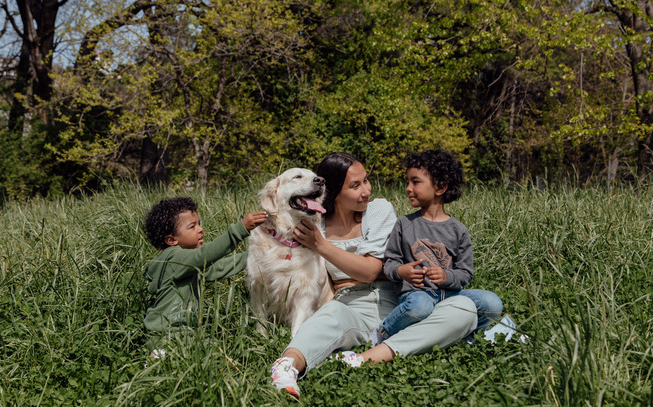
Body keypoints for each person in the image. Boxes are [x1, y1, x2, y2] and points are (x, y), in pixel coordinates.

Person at [269, 152, 478, 399]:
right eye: (355, 186)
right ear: (334, 191)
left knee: (464, 308)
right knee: (331, 313)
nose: (366, 191)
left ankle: (367, 358)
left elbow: (371, 271)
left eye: (366, 180)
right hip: (351, 305)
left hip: (401, 303)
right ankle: (287, 366)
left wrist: (321, 246)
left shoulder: (378, 210)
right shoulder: (315, 223)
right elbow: (275, 250)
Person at [372, 149, 503, 345]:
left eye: (415, 182)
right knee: (420, 307)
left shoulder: (458, 230)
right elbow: (390, 263)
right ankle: (382, 333)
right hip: (416, 295)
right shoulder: (404, 224)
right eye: (408, 182)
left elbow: (465, 273)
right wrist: (402, 271)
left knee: (492, 303)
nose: (408, 188)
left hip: (450, 295)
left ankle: (464, 338)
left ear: (440, 187)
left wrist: (447, 277)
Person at [143, 197, 267, 352]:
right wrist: (239, 230)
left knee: (215, 349)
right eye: (192, 226)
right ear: (171, 239)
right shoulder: (173, 257)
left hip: (187, 333)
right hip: (164, 332)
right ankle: (157, 356)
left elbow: (221, 268)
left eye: (199, 223)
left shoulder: (189, 264)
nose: (200, 229)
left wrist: (259, 254)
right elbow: (204, 254)